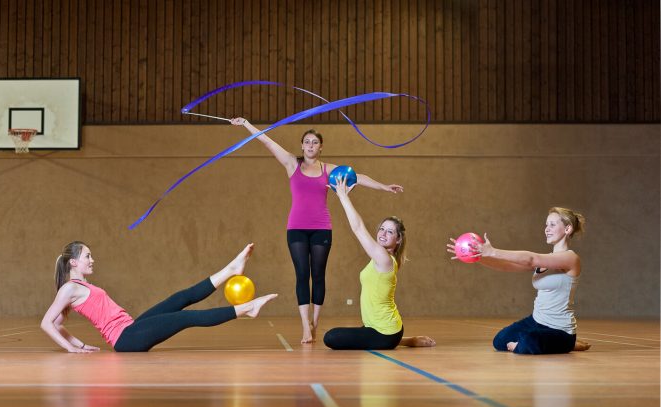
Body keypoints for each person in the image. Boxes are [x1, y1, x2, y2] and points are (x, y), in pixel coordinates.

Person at [231, 117, 403, 344]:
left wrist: (383, 186)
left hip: (322, 228)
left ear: (321, 147)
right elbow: (267, 142)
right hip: (297, 229)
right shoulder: (292, 164)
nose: (311, 145)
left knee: (318, 275)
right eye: (307, 142)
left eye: (315, 142)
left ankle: (315, 322)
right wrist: (246, 124)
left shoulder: (328, 170)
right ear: (302, 145)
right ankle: (305, 326)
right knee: (302, 275)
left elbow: (357, 177)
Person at [41, 241, 277, 353]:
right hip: (126, 339)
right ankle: (248, 308)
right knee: (185, 317)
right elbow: (48, 323)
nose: (92, 260)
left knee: (179, 299)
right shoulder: (69, 288)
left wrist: (79, 344)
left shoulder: (79, 286)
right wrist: (72, 348)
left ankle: (231, 270)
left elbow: (59, 324)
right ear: (73, 262)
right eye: (87, 256)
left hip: (131, 328)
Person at [446, 207, 590, 354]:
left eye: (552, 225)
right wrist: (477, 256)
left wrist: (492, 251)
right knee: (500, 340)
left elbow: (530, 259)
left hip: (560, 329)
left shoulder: (571, 259)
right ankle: (551, 344)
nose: (547, 229)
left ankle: (567, 343)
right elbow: (506, 266)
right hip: (536, 321)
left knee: (528, 341)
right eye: (546, 225)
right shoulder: (545, 260)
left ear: (567, 229)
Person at [322, 176, 435, 350]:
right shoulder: (381, 257)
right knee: (344, 335)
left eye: (390, 232)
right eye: (382, 228)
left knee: (331, 337)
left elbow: (358, 228)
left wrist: (343, 196)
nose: (383, 233)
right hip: (381, 329)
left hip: (384, 332)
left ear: (398, 240)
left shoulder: (383, 258)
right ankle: (405, 340)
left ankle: (399, 340)